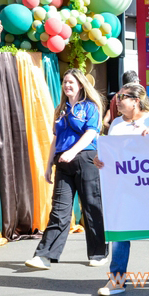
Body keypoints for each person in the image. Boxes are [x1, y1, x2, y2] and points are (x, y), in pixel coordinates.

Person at [94, 83, 149, 295]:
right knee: (120, 231)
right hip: (122, 186)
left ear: (136, 101)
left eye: (122, 97)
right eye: (117, 97)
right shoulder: (116, 123)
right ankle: (117, 279)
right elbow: (111, 153)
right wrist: (100, 159)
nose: (117, 100)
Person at [25, 69, 108, 269]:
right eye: (65, 82)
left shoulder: (90, 107)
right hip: (63, 162)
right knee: (59, 210)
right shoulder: (60, 109)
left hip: (86, 159)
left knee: (92, 207)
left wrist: (73, 151)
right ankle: (44, 256)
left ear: (80, 84)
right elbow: (55, 138)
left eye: (71, 82)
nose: (67, 85)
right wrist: (48, 165)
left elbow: (91, 133)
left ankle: (98, 253)